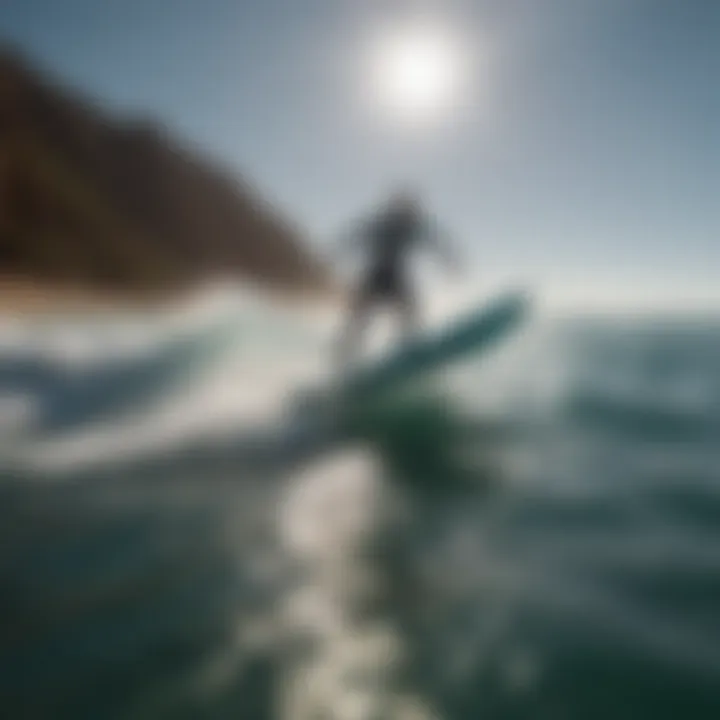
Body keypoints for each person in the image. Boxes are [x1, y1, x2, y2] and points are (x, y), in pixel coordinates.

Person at [334, 188, 460, 371]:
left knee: (409, 314)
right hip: (376, 277)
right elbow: (355, 236)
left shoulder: (412, 226)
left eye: (411, 211)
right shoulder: (382, 223)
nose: (411, 215)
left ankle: (411, 353)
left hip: (394, 278)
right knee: (360, 321)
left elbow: (435, 241)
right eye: (407, 210)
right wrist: (337, 252)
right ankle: (344, 360)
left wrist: (449, 261)